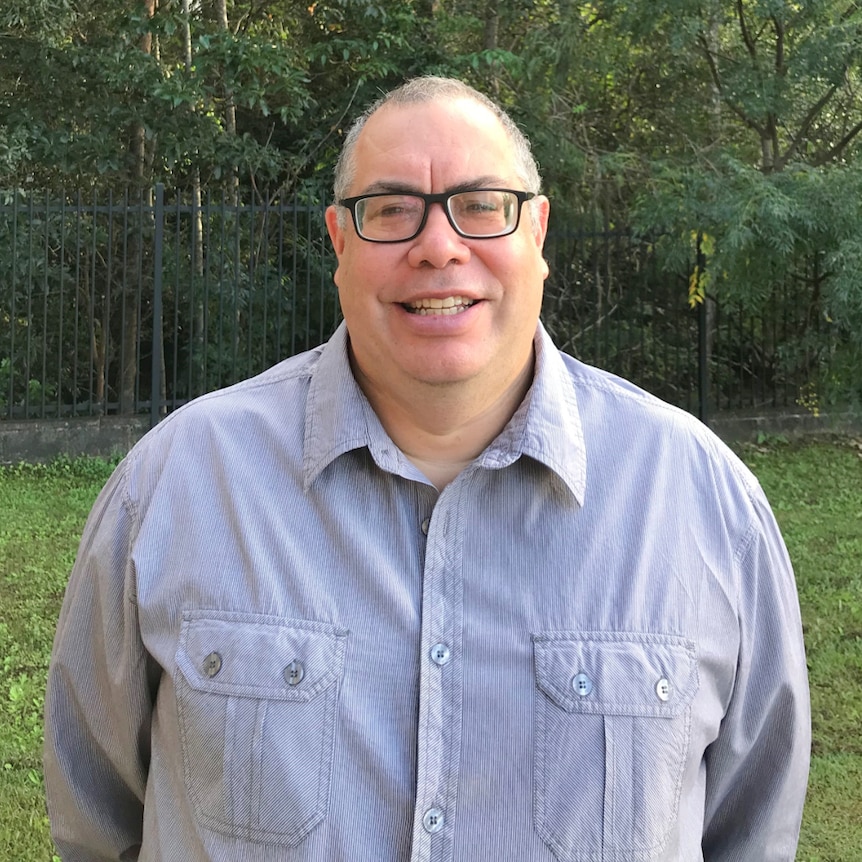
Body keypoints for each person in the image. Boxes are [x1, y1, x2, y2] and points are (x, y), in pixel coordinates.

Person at [43, 76, 810, 861]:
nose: (439, 245)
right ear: (340, 243)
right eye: (392, 209)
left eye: (481, 205)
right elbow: (95, 819)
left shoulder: (706, 504)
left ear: (537, 233)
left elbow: (752, 830)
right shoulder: (176, 485)